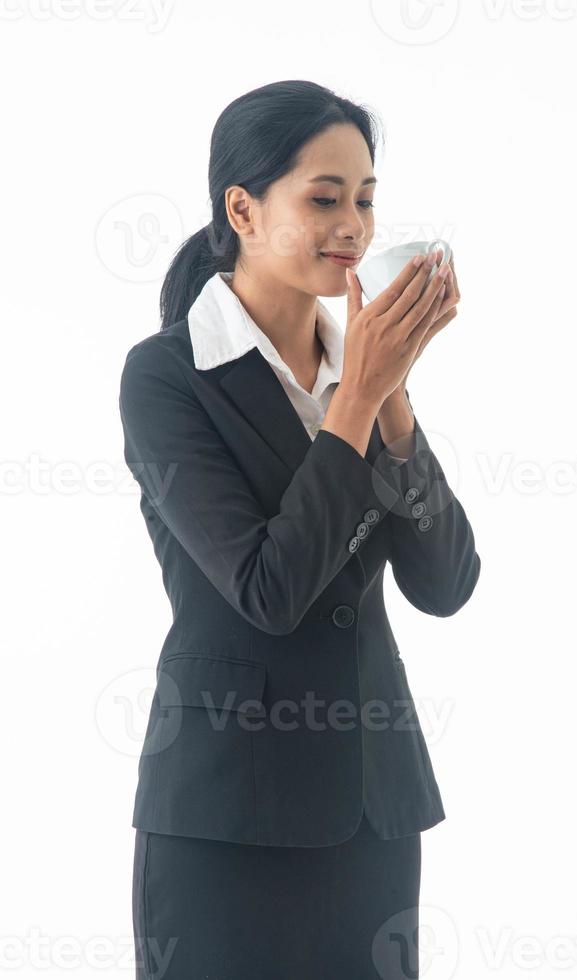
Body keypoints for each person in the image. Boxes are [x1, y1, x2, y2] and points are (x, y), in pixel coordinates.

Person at [119, 78, 481, 980]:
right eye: (323, 198)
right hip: (226, 811)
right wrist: (357, 397)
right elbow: (267, 591)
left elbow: (446, 584)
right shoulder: (168, 378)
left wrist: (389, 400)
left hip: (372, 805)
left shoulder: (357, 375)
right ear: (242, 208)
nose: (353, 225)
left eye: (365, 199)